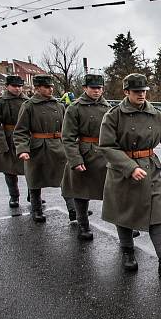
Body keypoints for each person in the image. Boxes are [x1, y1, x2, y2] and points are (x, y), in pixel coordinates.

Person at [99, 73, 161, 278]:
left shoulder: (156, 114)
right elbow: (106, 146)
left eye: (144, 91)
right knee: (124, 213)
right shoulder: (114, 115)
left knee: (156, 213)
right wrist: (130, 167)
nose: (141, 95)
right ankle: (128, 252)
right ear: (126, 92)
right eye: (136, 92)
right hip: (123, 171)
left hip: (150, 169)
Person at [13, 74, 76, 223]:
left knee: (66, 180)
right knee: (35, 180)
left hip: (58, 147)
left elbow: (67, 129)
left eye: (52, 86)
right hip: (37, 147)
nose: (50, 89)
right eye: (47, 87)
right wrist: (23, 149)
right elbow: (20, 130)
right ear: (37, 88)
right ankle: (36, 210)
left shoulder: (59, 105)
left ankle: (73, 210)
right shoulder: (28, 106)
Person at [61, 74, 111, 240]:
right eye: (93, 88)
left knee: (114, 191)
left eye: (100, 88)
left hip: (105, 153)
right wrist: (75, 159)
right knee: (81, 192)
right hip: (85, 154)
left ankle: (123, 225)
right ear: (85, 88)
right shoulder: (74, 108)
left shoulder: (108, 107)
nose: (97, 91)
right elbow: (68, 137)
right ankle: (83, 225)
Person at [0, 75, 27, 207]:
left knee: (31, 169)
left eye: (20, 86)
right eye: (15, 86)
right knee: (9, 170)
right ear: (7, 86)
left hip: (26, 138)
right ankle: (14, 196)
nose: (18, 89)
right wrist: (1, 145)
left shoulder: (27, 101)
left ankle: (33, 195)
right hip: (8, 137)